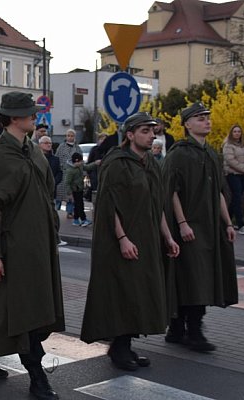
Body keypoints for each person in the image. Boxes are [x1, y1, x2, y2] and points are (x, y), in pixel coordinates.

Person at [0, 92, 64, 400]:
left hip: (38, 248)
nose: (35, 117)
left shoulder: (33, 151)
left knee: (32, 310)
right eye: (29, 113)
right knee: (25, 315)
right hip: (12, 249)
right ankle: (37, 378)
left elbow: (47, 192)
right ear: (12, 118)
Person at [80, 112, 180, 371]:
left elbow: (157, 205)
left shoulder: (152, 164)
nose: (151, 136)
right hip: (120, 242)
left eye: (152, 131)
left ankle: (125, 345)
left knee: (139, 293)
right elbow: (108, 205)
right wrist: (122, 238)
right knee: (123, 293)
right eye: (145, 131)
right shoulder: (116, 163)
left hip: (147, 239)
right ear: (130, 134)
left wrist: (167, 236)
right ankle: (119, 348)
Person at [162, 102, 238, 353]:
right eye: (200, 118)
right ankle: (190, 330)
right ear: (187, 124)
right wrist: (182, 223)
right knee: (191, 277)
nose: (207, 121)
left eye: (207, 117)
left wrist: (227, 223)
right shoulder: (178, 153)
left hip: (209, 227)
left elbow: (217, 192)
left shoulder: (211, 154)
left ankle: (180, 328)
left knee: (200, 277)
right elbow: (171, 191)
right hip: (188, 226)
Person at [222, 124, 244, 235]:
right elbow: (230, 160)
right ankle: (241, 225)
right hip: (233, 174)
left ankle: (226, 221)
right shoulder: (228, 145)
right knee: (237, 197)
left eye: (239, 131)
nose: (237, 133)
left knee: (237, 198)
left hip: (243, 175)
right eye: (235, 131)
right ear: (231, 133)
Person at [39, 136, 66, 246]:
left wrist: (53, 182)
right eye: (46, 143)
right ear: (40, 144)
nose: (49, 145)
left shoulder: (55, 159)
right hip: (39, 190)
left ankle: (55, 235)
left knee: (52, 213)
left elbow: (59, 173)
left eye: (50, 143)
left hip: (51, 191)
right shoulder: (37, 158)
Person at [64, 152, 97, 227]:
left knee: (77, 205)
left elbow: (87, 167)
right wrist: (70, 194)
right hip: (75, 190)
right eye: (80, 161)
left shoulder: (80, 166)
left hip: (80, 189)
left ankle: (76, 220)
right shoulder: (70, 171)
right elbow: (67, 183)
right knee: (79, 205)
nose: (82, 162)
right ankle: (83, 219)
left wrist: (95, 163)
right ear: (76, 161)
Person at [55, 129, 82, 218]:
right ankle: (55, 211)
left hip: (72, 175)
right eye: (68, 135)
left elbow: (81, 161)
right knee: (59, 195)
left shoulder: (77, 148)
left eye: (72, 136)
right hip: (62, 173)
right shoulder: (61, 146)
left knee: (70, 195)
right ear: (66, 137)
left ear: (74, 137)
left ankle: (69, 212)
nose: (70, 137)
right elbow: (56, 158)